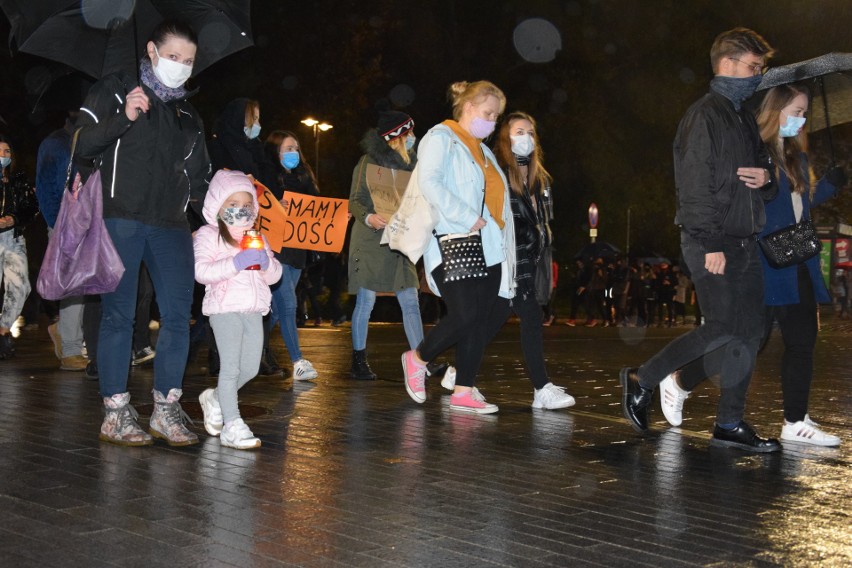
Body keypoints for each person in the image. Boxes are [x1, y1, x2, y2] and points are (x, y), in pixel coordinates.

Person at [620, 27, 781, 452]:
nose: (757, 76)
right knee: (724, 325)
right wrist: (709, 243)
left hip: (745, 241)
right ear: (728, 64)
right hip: (712, 240)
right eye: (753, 67)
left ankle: (729, 423)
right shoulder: (704, 115)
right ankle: (644, 378)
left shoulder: (743, 117)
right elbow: (693, 185)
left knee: (751, 332)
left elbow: (767, 173)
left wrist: (768, 178)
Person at [660, 84, 845, 447]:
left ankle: (795, 421)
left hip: (797, 259)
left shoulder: (796, 156)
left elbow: (798, 202)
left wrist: (829, 185)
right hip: (766, 260)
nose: (801, 119)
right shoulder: (755, 151)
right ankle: (680, 380)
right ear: (775, 111)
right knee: (745, 344)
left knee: (802, 340)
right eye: (796, 110)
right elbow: (754, 198)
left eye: (805, 112)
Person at [75, 19, 210, 446]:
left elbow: (199, 175)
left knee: (177, 315)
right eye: (173, 57)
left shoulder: (187, 113)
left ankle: (165, 409)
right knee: (119, 314)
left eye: (188, 61)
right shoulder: (116, 88)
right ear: (151, 50)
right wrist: (123, 116)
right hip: (122, 218)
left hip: (170, 223)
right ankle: (115, 411)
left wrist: (224, 216)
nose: (181, 67)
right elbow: (80, 145)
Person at [441, 111, 574, 410]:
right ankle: (541, 387)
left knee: (496, 317)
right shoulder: (498, 172)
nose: (524, 137)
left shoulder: (541, 179)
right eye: (517, 131)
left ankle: (457, 371)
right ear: (505, 137)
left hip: (527, 257)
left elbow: (544, 224)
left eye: (529, 132)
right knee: (530, 317)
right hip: (503, 255)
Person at [401, 80, 515, 414]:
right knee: (465, 314)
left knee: (481, 318)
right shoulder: (441, 138)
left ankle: (464, 390)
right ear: (468, 106)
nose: (492, 122)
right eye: (488, 113)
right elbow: (430, 182)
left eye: (496, 116)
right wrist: (466, 216)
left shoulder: (485, 151)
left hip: (491, 244)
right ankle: (417, 357)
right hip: (455, 237)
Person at [194, 170, 282, 449]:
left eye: (246, 205)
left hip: (254, 309)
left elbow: (274, 275)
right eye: (232, 205)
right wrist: (237, 262)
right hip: (224, 308)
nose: (240, 211)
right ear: (218, 205)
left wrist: (267, 264)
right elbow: (200, 271)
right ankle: (232, 424)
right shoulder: (209, 235)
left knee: (251, 368)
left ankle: (216, 399)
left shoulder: (257, 236)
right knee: (230, 368)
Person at [347, 110, 423, 380]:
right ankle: (358, 360)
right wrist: (368, 217)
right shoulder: (368, 162)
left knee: (411, 299)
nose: (414, 138)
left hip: (399, 240)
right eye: (409, 133)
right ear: (397, 138)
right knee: (365, 301)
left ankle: (420, 359)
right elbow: (354, 200)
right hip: (370, 240)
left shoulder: (414, 164)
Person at [208, 98, 280, 375]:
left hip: (254, 227)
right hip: (227, 229)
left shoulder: (256, 150)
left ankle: (257, 354)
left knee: (254, 290)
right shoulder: (220, 145)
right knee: (225, 290)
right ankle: (218, 355)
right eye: (253, 117)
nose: (257, 124)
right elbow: (217, 183)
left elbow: (269, 186)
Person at [261, 130, 320, 381]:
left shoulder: (305, 179)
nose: (293, 152)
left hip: (297, 253)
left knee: (276, 310)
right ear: (276, 152)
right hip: (276, 252)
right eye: (287, 148)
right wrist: (275, 204)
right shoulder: (268, 180)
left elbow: (319, 212)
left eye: (295, 148)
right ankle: (298, 361)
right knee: (289, 305)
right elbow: (259, 206)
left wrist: (337, 219)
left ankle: (253, 351)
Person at [36, 113, 89, 371]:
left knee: (87, 285)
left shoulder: (90, 139)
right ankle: (70, 347)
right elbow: (47, 187)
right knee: (73, 286)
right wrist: (60, 227)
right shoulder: (57, 143)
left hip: (92, 224)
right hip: (66, 226)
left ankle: (67, 333)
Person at [0, 135, 38, 359]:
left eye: (7, 152)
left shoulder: (18, 179)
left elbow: (31, 206)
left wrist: (13, 218)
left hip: (13, 239)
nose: (3, 156)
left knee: (20, 286)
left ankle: (4, 330)